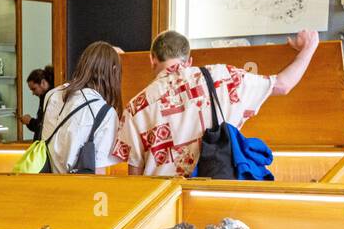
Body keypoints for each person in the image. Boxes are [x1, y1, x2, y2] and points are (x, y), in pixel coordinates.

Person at [113, 28, 318, 177]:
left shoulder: (135, 106)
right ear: (189, 60)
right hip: (214, 193)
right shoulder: (224, 78)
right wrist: (309, 48)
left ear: (152, 59)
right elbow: (282, 85)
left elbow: (135, 175)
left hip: (161, 203)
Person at [38, 43, 121, 174]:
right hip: (80, 190)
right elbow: (98, 169)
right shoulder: (105, 112)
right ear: (113, 70)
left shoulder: (52, 95)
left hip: (47, 184)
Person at [18, 66, 53, 141]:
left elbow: (46, 126)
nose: (33, 93)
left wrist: (30, 121)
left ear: (43, 83)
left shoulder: (52, 98)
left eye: (34, 89)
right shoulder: (45, 97)